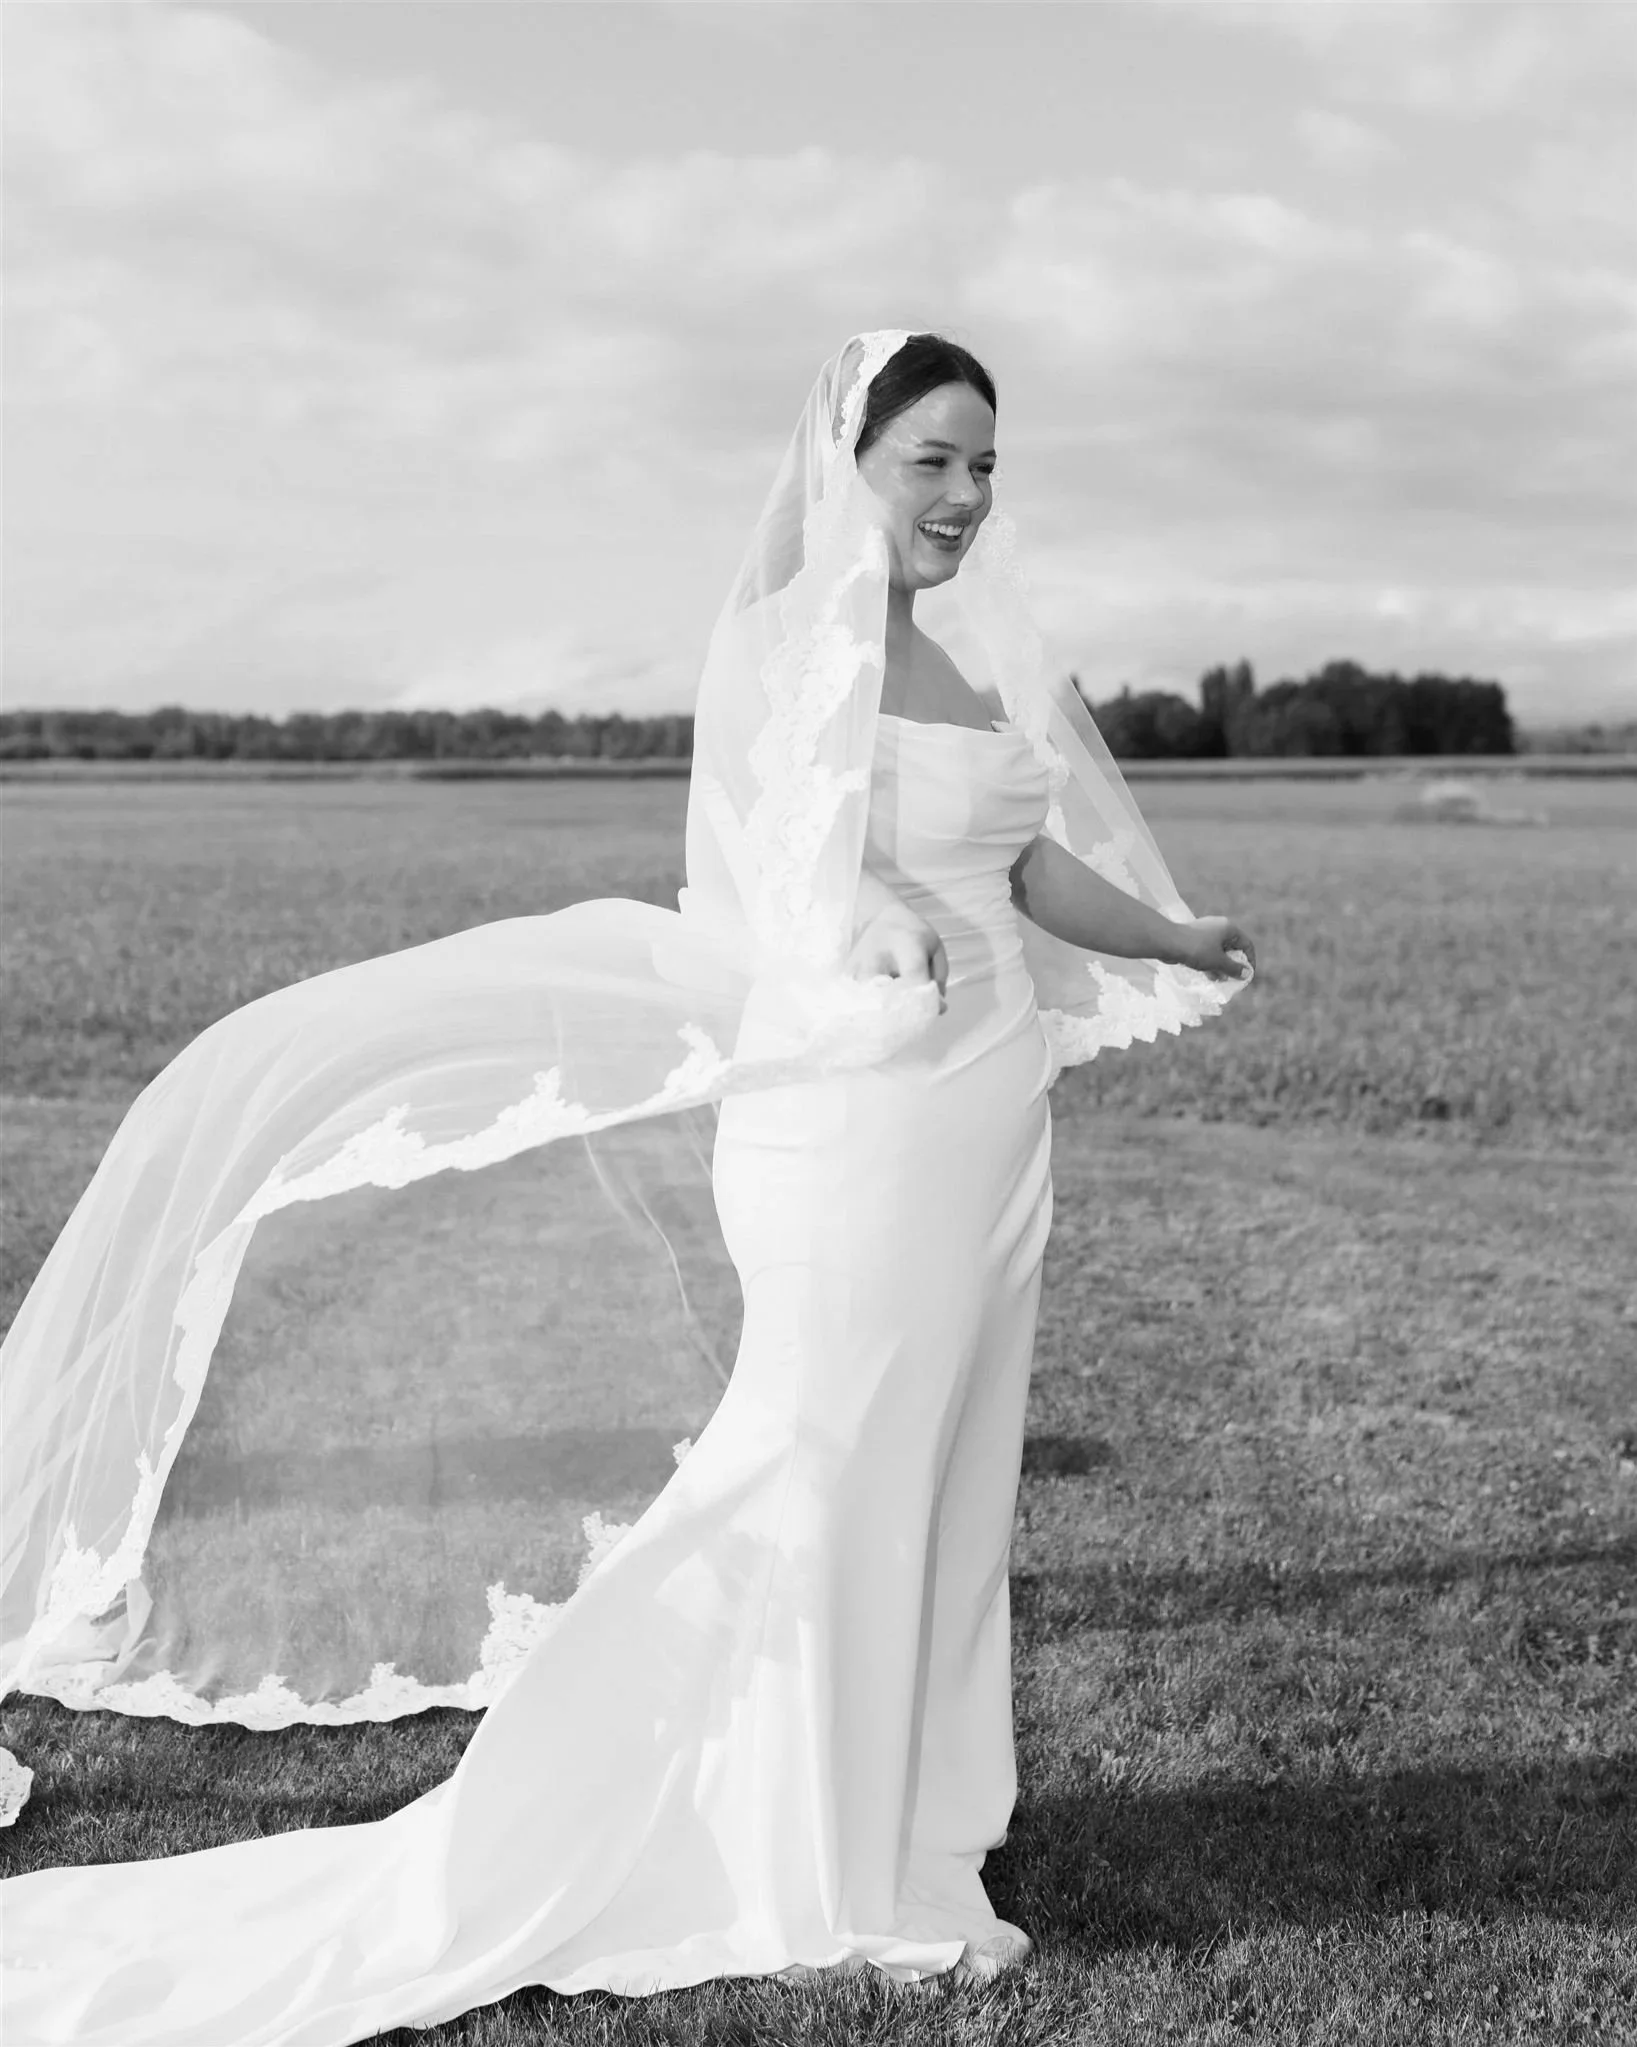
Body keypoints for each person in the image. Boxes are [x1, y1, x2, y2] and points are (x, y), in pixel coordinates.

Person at [0, 330, 1253, 2040]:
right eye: (931, 461)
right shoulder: (776, 647)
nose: (964, 495)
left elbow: (1029, 867)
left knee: (948, 1470)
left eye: (983, 466)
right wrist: (867, 919)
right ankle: (779, 1840)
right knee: (824, 1455)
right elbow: (764, 861)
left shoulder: (974, 662)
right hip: (859, 1116)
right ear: (848, 465)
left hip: (990, 1119)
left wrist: (1172, 930)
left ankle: (911, 1826)